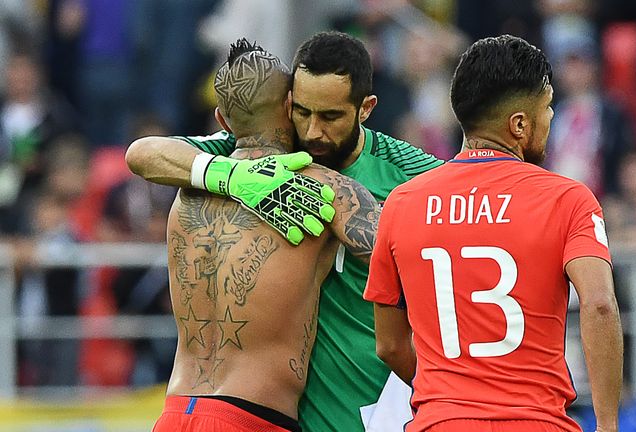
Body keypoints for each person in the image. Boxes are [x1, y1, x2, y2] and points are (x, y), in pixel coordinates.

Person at [126, 31, 443, 431]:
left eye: (329, 116)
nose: (312, 132)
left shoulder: (190, 184)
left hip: (176, 412)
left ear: (223, 120)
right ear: (289, 105)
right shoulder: (322, 186)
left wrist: (227, 176)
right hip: (254, 417)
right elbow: (408, 256)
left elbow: (140, 153)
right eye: (304, 114)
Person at [363, 35, 623, 432]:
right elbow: (600, 304)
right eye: (547, 107)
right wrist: (607, 424)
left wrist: (450, 398)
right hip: (535, 423)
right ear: (519, 124)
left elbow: (389, 345)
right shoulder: (567, 199)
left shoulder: (403, 203)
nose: (551, 118)